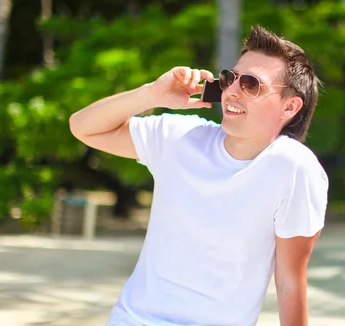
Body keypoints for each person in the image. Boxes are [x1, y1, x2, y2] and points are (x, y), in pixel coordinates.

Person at [69, 25, 328, 326]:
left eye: (251, 84)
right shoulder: (180, 136)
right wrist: (153, 93)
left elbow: (289, 283)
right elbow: (83, 126)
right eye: (230, 78)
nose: (232, 90)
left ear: (290, 106)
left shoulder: (294, 168)